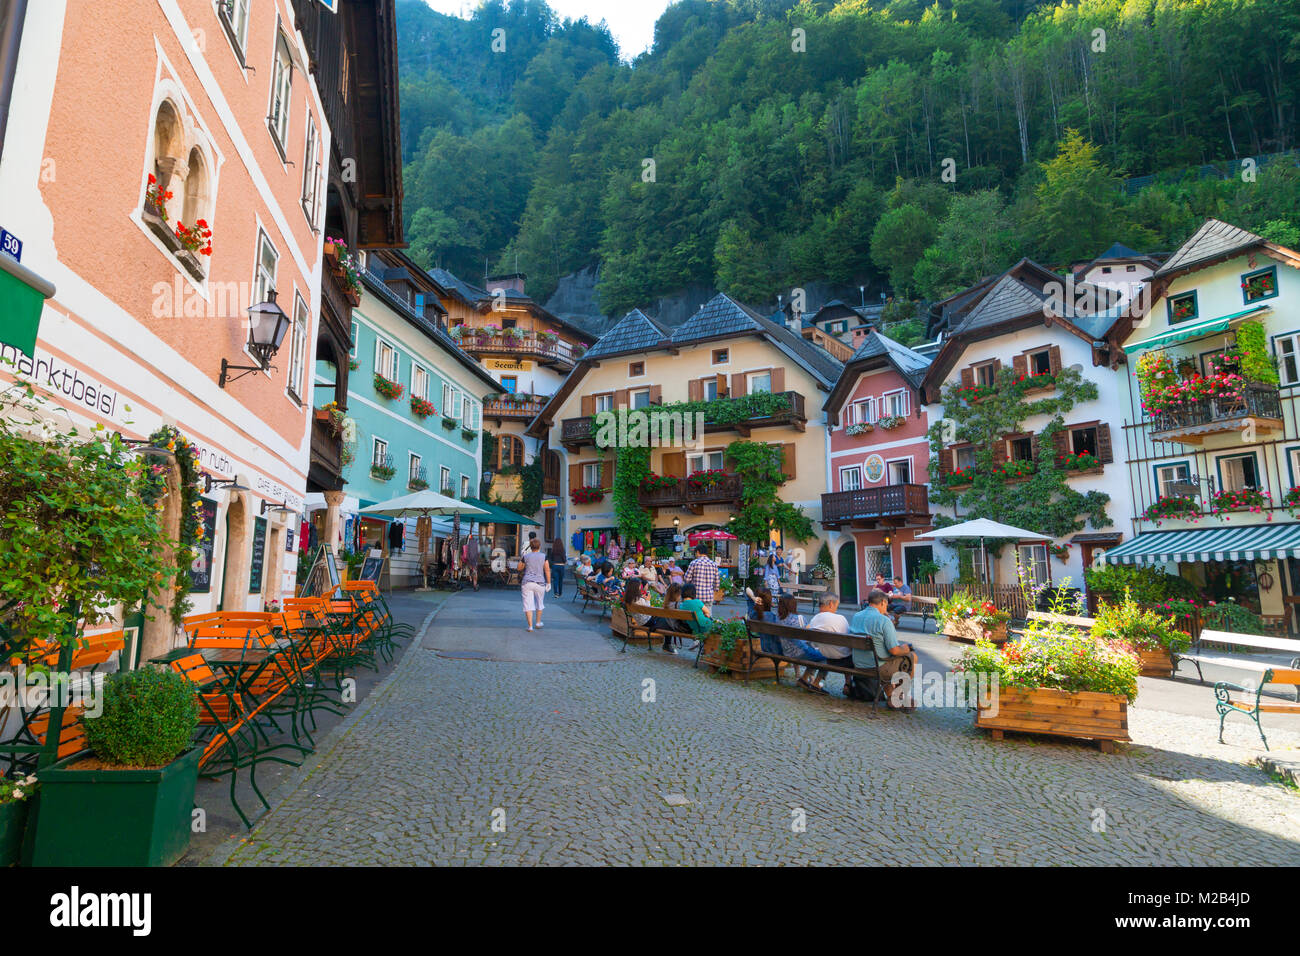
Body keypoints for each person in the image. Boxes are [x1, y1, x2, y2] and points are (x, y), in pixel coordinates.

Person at [850, 589, 918, 710]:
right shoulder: (883, 620)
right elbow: (895, 650)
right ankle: (898, 695)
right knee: (912, 657)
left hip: (858, 663)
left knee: (883, 656)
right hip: (877, 666)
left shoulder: (856, 616)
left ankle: (892, 695)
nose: (886, 608)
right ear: (882, 602)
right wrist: (907, 648)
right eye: (886, 605)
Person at [773, 593, 828, 687]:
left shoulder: (777, 619)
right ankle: (814, 682)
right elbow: (810, 637)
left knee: (816, 656)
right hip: (801, 653)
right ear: (793, 604)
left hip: (786, 652)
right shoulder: (799, 618)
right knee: (827, 656)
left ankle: (805, 679)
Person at [805, 592, 854, 695]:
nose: (836, 608)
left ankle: (816, 682)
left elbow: (813, 644)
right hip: (843, 660)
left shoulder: (814, 619)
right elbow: (849, 640)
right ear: (831, 604)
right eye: (836, 605)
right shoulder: (841, 618)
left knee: (832, 650)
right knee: (851, 653)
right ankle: (848, 683)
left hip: (825, 657)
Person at [519, 538, 551, 632]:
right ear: (539, 546)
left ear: (531, 547)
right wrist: (549, 583)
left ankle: (530, 626)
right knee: (539, 603)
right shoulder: (544, 556)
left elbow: (519, 568)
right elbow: (547, 569)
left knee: (528, 604)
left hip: (527, 582)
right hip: (540, 583)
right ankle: (538, 622)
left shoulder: (526, 556)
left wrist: (522, 558)